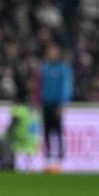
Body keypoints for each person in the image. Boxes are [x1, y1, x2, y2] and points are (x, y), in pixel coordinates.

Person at [39, 42, 73, 173]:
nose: (50, 53)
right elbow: (40, 85)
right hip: (46, 103)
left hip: (56, 104)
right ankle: (47, 161)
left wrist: (61, 104)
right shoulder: (45, 68)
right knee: (46, 132)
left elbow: (65, 88)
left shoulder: (63, 69)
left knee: (57, 132)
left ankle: (59, 161)